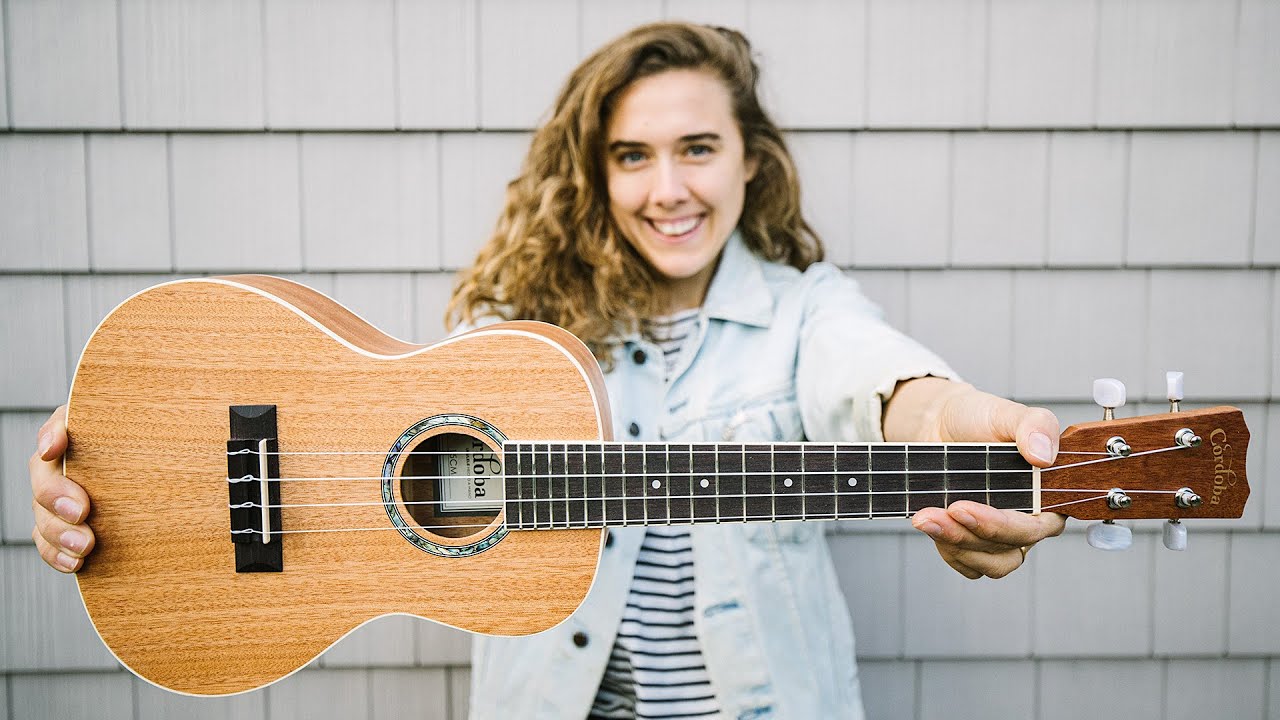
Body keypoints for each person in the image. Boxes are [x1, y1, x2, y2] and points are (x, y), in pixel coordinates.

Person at [31, 22, 1065, 720]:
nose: (669, 189)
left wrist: (955, 420)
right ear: (594, 170)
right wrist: (131, 477)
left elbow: (878, 377)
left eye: (698, 148)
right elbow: (320, 432)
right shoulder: (512, 333)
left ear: (751, 159)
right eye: (631, 155)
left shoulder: (805, 309)